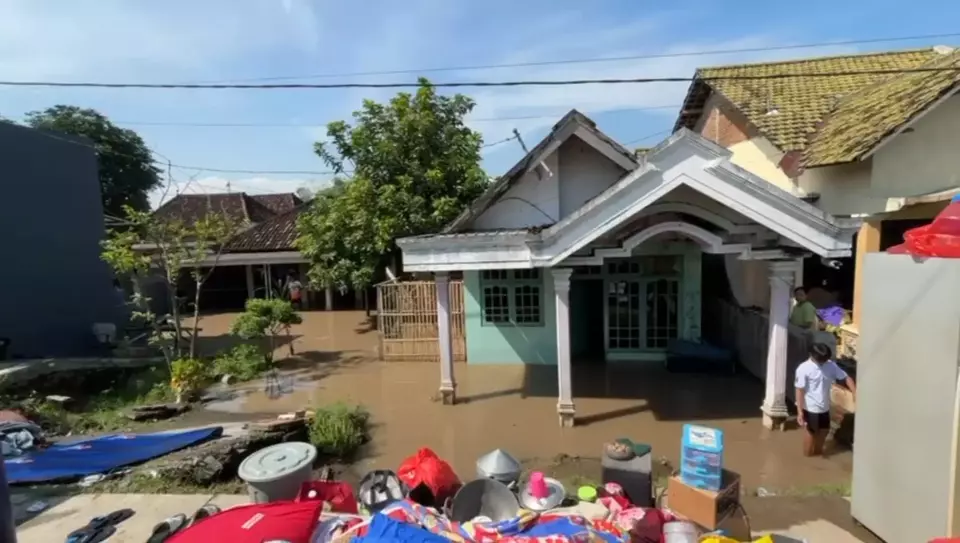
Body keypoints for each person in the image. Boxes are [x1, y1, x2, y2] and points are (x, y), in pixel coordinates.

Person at [795, 342, 856, 457]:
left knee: (824, 431)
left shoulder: (830, 365)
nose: (823, 362)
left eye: (825, 359)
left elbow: (846, 378)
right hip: (811, 407)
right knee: (811, 432)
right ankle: (807, 457)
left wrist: (855, 392)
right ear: (812, 356)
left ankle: (818, 454)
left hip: (824, 407)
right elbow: (799, 390)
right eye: (821, 360)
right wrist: (799, 411)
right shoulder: (803, 369)